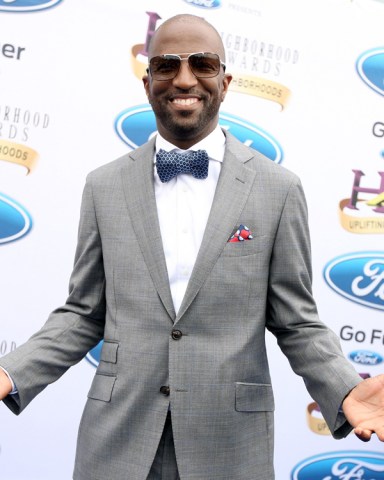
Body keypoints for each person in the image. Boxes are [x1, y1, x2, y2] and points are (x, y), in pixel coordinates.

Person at [0, 13, 383, 480]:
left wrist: (345, 390)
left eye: (202, 64)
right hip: (117, 442)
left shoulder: (277, 189)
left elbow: (297, 321)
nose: (184, 79)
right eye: (166, 65)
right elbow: (83, 313)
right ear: (147, 83)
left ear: (225, 82)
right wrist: (12, 371)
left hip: (229, 446)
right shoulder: (104, 186)